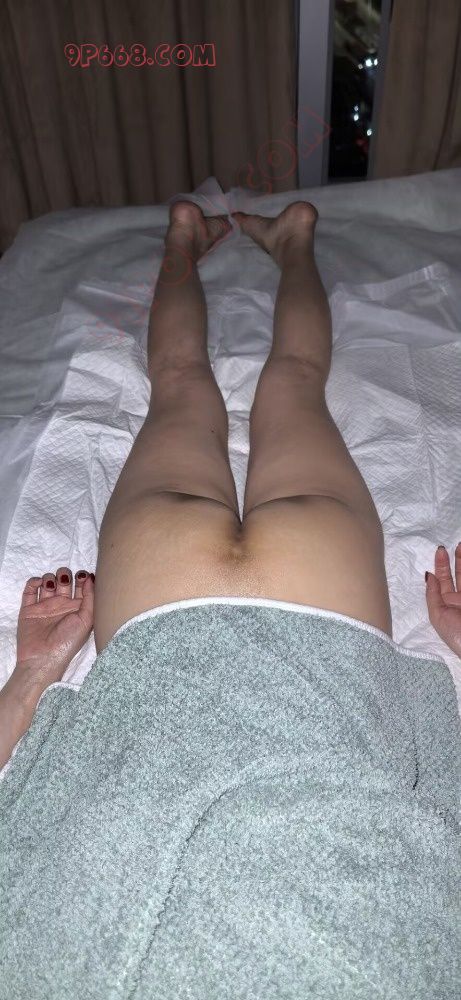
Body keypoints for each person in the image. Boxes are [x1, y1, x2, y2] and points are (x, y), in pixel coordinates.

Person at [0, 201, 460, 999]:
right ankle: (204, 237)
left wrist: (35, 671)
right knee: (208, 385)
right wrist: (31, 675)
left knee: (262, 383)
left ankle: (276, 238)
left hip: (315, 610)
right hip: (172, 605)